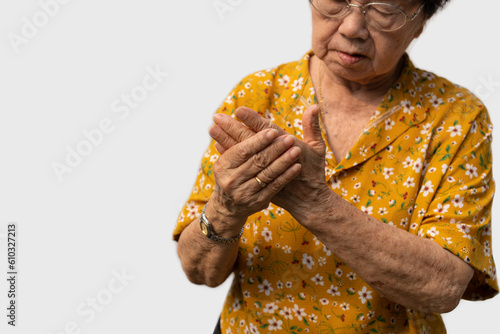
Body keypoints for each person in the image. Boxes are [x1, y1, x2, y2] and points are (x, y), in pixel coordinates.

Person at [174, 0, 498, 332]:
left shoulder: (455, 117)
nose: (351, 28)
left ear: (420, 22)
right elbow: (200, 270)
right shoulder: (259, 96)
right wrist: (227, 209)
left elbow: (442, 288)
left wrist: (314, 203)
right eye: (336, 3)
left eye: (383, 10)